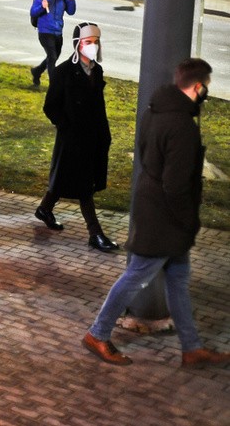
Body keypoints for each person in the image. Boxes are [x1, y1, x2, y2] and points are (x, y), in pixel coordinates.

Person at [83, 58, 230, 368]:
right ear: (198, 87)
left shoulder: (154, 111)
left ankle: (192, 348)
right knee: (136, 275)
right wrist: (188, 220)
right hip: (165, 220)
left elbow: (147, 155)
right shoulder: (182, 128)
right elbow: (176, 185)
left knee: (178, 279)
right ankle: (98, 334)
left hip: (152, 208)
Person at [34, 22, 117, 253]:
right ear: (77, 44)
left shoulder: (97, 71)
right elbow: (51, 106)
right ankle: (95, 233)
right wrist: (66, 126)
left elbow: (98, 106)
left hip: (93, 137)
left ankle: (45, 209)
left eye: (95, 42)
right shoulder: (63, 72)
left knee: (65, 179)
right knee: (84, 188)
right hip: (72, 138)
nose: (92, 46)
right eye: (88, 42)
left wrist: (104, 133)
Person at [29, 0, 76, 87]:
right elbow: (33, 12)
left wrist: (71, 0)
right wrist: (42, 7)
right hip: (45, 31)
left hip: (58, 31)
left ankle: (37, 71)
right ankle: (54, 85)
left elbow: (71, 12)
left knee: (54, 56)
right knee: (52, 56)